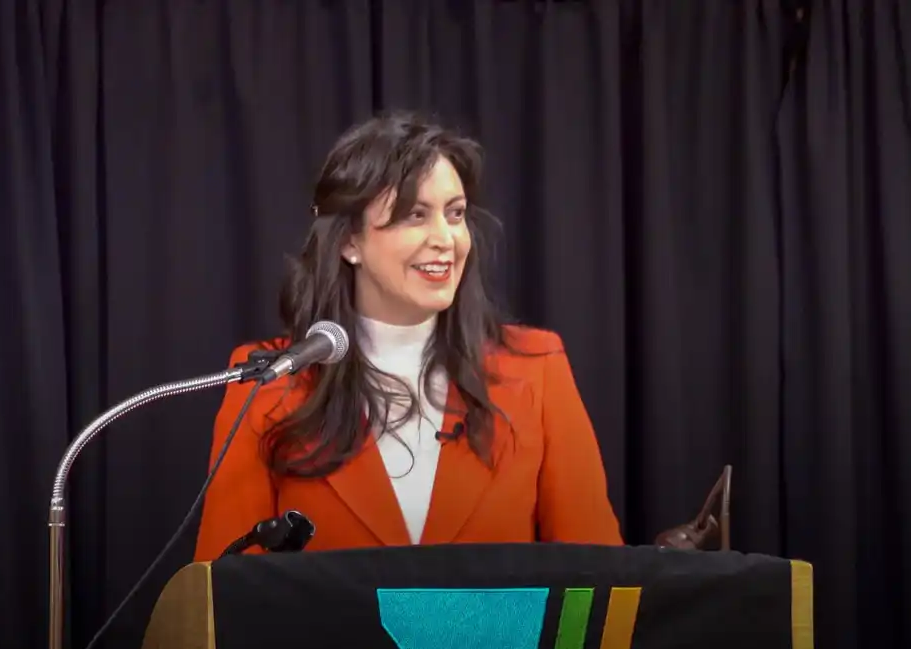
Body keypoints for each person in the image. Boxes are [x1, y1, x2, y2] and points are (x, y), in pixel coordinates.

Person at [192, 111, 623, 561]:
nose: (446, 238)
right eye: (414, 215)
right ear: (349, 242)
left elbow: (599, 577)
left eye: (454, 214)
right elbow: (223, 593)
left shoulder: (536, 367)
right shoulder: (270, 383)